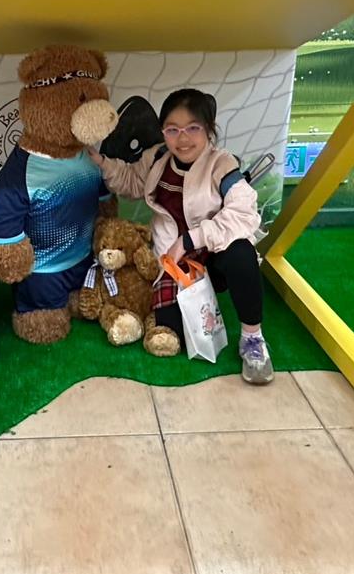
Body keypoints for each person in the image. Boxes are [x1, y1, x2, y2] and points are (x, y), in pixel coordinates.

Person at [87, 89, 273, 384]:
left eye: (193, 128)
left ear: (209, 129)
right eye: (172, 129)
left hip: (213, 257)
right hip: (172, 262)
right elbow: (133, 182)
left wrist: (188, 241)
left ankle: (252, 338)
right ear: (163, 131)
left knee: (242, 253)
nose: (182, 139)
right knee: (173, 332)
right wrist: (101, 162)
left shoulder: (222, 164)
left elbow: (243, 212)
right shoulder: (158, 156)